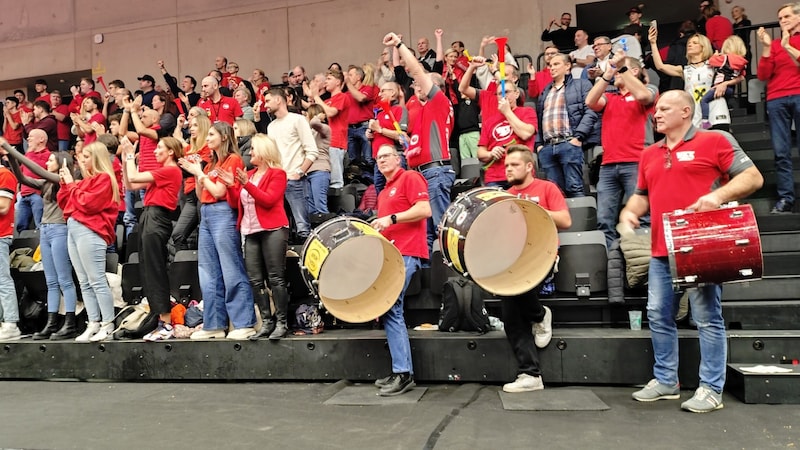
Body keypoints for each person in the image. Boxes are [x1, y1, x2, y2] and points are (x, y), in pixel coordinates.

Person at [620, 90, 763, 413]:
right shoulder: (650, 153)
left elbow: (753, 177)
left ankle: (711, 389)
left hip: (701, 246)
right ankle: (667, 381)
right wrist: (630, 210)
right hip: (660, 248)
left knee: (706, 318)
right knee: (658, 314)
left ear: (686, 112)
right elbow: (643, 194)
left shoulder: (715, 140)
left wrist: (718, 196)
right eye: (656, 110)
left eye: (664, 109)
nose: (656, 114)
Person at [500, 145, 571, 392]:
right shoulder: (505, 196)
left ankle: (530, 372)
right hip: (515, 259)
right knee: (509, 310)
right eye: (507, 165)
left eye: (514, 165)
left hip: (544, 255)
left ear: (529, 166)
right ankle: (530, 375)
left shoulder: (546, 188)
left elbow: (565, 220)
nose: (508, 169)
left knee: (514, 291)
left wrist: (534, 212)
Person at [178, 122, 256, 340]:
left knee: (231, 268)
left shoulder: (233, 159)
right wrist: (196, 174)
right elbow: (201, 193)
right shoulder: (211, 162)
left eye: (211, 134)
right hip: (207, 214)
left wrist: (198, 173)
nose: (207, 137)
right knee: (208, 271)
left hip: (223, 213)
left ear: (223, 137)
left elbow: (220, 191)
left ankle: (244, 323)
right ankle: (214, 324)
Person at [385, 31, 455, 257]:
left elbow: (416, 70)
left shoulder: (440, 102)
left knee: (439, 226)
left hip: (435, 171)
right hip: (417, 173)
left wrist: (399, 45)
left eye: (425, 82)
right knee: (422, 229)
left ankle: (449, 268)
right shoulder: (418, 108)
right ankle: (425, 271)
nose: (418, 84)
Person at [1, 141, 79, 340]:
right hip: (45, 230)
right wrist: (11, 157)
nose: (46, 163)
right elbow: (21, 177)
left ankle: (69, 321)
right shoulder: (46, 183)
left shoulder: (63, 179)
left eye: (51, 160)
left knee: (64, 279)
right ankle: (51, 323)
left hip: (60, 230)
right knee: (51, 281)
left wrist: (10, 149)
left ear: (61, 163)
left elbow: (37, 170)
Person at [370, 144, 431, 396]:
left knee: (392, 307)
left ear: (398, 158)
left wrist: (391, 219)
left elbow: (425, 210)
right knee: (390, 310)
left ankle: (404, 374)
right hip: (391, 256)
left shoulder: (410, 177)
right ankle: (401, 371)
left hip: (407, 254)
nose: (382, 160)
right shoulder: (384, 192)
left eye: (386, 156)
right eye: (378, 158)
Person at [220, 135, 290, 340]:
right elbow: (235, 204)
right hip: (250, 231)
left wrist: (245, 184)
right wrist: (231, 186)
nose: (250, 153)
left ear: (264, 152)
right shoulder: (248, 175)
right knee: (255, 280)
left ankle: (282, 322)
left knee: (276, 278)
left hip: (273, 229)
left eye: (253, 150)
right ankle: (267, 322)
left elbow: (268, 201)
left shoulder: (277, 174)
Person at [586, 52, 657, 249]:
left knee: (642, 217)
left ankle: (644, 261)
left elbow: (643, 96)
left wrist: (622, 68)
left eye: (620, 69)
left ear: (633, 71)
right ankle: (612, 263)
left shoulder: (648, 89)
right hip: (608, 165)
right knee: (604, 220)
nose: (616, 73)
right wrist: (607, 74)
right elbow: (590, 102)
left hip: (637, 162)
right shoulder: (610, 97)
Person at [121, 136, 183, 341]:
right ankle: (158, 319)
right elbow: (130, 184)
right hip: (149, 216)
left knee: (155, 269)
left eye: (159, 148)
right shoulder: (162, 173)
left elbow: (135, 176)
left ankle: (166, 323)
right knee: (147, 268)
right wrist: (124, 158)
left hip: (157, 217)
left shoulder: (171, 170)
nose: (155, 152)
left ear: (171, 152)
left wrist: (131, 155)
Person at [57, 141, 121, 342]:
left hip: (91, 231)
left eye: (86, 157)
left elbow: (88, 204)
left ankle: (107, 324)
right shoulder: (83, 182)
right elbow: (65, 203)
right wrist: (66, 184)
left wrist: (71, 185)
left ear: (96, 158)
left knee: (97, 280)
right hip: (74, 229)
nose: (82, 161)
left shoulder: (104, 179)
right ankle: (93, 322)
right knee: (83, 282)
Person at [756, 3, 800, 214]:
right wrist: (766, 47)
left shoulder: (787, 42)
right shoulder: (773, 45)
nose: (782, 20)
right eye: (780, 18)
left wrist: (787, 45)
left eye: (786, 16)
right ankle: (785, 200)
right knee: (781, 152)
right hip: (776, 98)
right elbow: (763, 75)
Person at [535, 53, 598, 198]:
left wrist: (578, 138)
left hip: (569, 143)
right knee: (555, 194)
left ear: (568, 66)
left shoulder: (581, 84)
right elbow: (539, 119)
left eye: (556, 64)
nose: (551, 68)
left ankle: (578, 221)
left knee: (574, 188)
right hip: (548, 147)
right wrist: (539, 145)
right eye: (550, 65)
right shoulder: (545, 91)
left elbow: (591, 111)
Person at [649, 26, 731, 131]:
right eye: (689, 44)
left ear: (703, 46)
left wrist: (724, 84)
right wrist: (653, 43)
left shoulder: (714, 63)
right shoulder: (685, 69)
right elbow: (660, 66)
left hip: (717, 113)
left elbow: (738, 75)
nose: (690, 45)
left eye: (695, 43)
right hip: (696, 117)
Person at [264, 88, 319, 241]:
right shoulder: (271, 126)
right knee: (281, 228)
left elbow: (312, 151)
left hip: (295, 180)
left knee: (302, 228)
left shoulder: (297, 119)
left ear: (278, 100)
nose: (265, 105)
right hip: (277, 181)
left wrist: (299, 173)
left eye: (268, 100)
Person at [477, 83, 537, 189]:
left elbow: (526, 134)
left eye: (507, 92)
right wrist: (491, 153)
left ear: (516, 93)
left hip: (521, 174)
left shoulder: (527, 112)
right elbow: (480, 152)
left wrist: (507, 111)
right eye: (500, 94)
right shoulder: (489, 121)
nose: (504, 96)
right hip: (494, 178)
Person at [170, 114, 211, 255]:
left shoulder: (207, 147)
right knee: (178, 234)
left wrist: (188, 168)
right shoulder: (188, 149)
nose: (191, 129)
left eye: (195, 125)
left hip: (203, 193)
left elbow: (201, 168)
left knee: (204, 234)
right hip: (189, 196)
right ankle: (188, 265)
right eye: (191, 125)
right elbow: (180, 170)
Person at [698, 35, 747, 129]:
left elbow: (710, 62)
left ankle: (705, 121)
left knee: (704, 100)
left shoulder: (724, 58)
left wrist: (715, 56)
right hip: (730, 89)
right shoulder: (743, 63)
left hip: (719, 86)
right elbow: (742, 77)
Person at [0, 143, 21, 341]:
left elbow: (3, 207)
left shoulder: (5, 175)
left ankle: (11, 323)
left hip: (0, 235)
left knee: (2, 280)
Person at [305, 104, 332, 215]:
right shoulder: (308, 132)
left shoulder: (324, 129)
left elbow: (314, 123)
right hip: (307, 172)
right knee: (311, 210)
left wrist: (318, 118)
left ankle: (328, 231)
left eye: (307, 114)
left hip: (319, 171)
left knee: (320, 206)